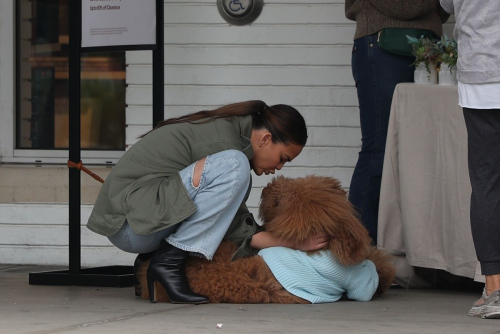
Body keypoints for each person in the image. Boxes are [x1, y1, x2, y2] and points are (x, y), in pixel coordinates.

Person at [86, 100, 329, 304]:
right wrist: (293, 242)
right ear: (265, 139)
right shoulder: (228, 149)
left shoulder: (232, 133)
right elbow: (236, 230)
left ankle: (155, 258)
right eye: (282, 158)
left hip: (140, 220)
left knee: (233, 170)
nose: (278, 168)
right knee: (235, 165)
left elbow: (222, 221)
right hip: (130, 226)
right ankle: (168, 263)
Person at [345, 1, 449, 244]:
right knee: (379, 150)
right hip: (382, 48)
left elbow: (448, 7)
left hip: (426, 50)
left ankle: (404, 253)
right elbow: (405, 7)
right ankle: (357, 249)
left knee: (423, 156)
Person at [440, 0, 500, 319]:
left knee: (487, 184)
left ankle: (495, 288)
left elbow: (446, 4)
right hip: (483, 75)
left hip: (483, 74)